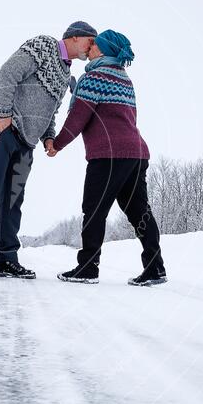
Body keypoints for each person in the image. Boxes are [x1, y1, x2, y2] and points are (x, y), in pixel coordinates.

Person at [0, 21, 97, 278]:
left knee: (13, 202)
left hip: (27, 143)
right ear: (74, 37)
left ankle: (6, 259)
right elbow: (8, 72)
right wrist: (3, 113)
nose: (91, 48)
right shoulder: (44, 45)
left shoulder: (66, 74)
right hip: (2, 128)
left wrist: (49, 138)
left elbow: (51, 111)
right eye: (90, 41)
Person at [48, 29, 167, 287]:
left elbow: (78, 118)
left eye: (94, 46)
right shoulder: (124, 78)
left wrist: (56, 144)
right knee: (139, 212)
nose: (89, 49)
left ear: (101, 50)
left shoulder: (95, 78)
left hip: (109, 157)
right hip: (136, 154)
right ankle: (155, 268)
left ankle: (88, 267)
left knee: (94, 210)